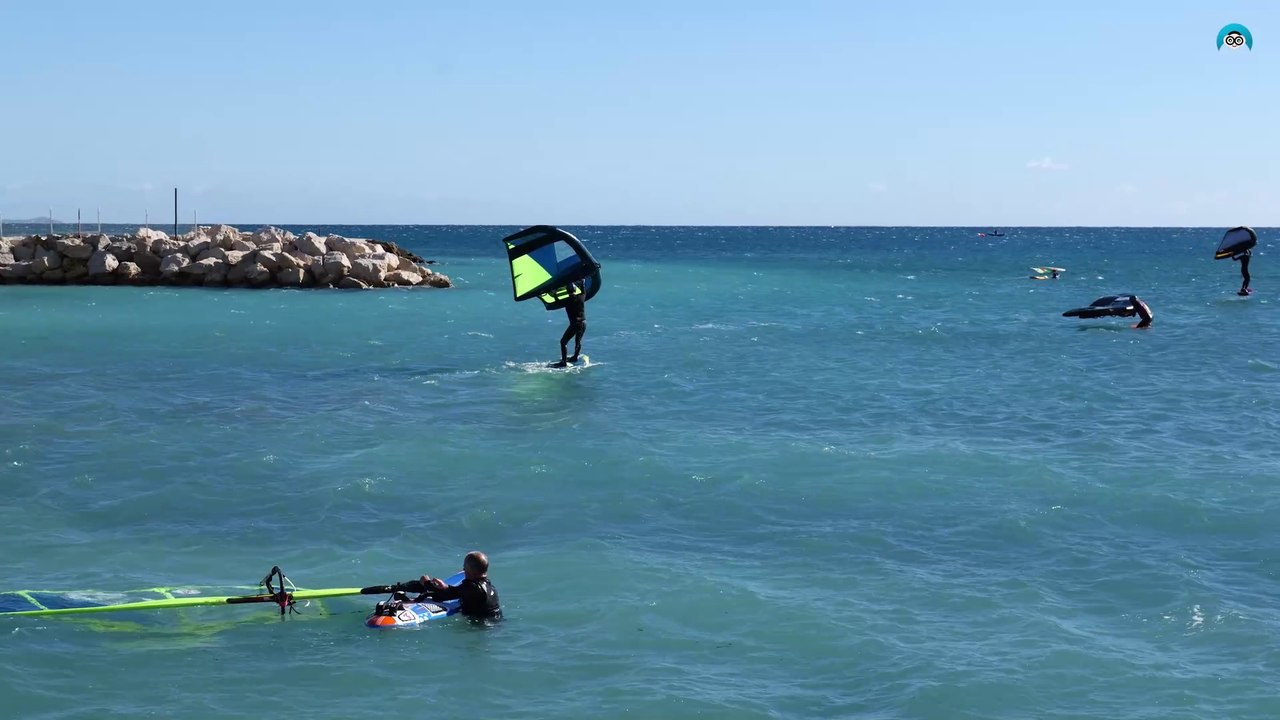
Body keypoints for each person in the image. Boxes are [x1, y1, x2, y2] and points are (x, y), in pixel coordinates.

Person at [394, 550, 502, 621]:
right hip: (494, 624)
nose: (463, 569)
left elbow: (444, 596)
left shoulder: (473, 587)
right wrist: (445, 587)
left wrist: (427, 583)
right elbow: (456, 592)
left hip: (480, 627)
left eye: (465, 567)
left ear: (470, 570)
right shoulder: (490, 587)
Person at [556, 281, 586, 367]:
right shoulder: (581, 297)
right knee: (578, 341)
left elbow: (557, 302)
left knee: (563, 342)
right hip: (583, 323)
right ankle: (575, 357)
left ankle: (563, 362)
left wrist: (554, 293)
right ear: (575, 290)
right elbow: (583, 290)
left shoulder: (567, 301)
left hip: (575, 324)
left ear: (567, 291)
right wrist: (582, 281)